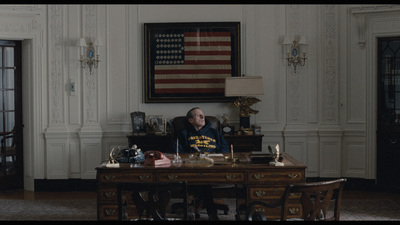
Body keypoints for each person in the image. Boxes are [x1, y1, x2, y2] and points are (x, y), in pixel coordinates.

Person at [172, 107, 229, 220]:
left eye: (202, 115)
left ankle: (193, 208)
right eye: (198, 115)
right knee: (203, 179)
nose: (203, 117)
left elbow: (225, 149)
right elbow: (178, 152)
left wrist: (215, 159)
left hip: (213, 167)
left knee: (204, 178)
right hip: (192, 168)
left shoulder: (215, 133)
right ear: (190, 120)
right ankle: (211, 212)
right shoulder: (183, 134)